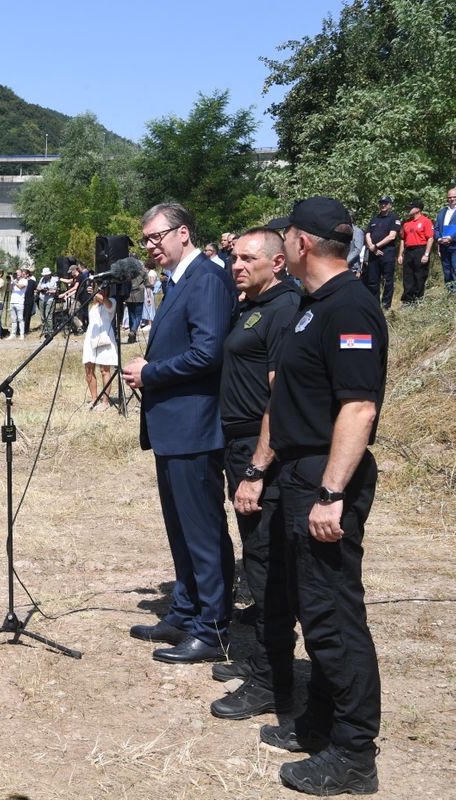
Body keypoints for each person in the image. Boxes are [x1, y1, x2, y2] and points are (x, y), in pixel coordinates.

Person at [262, 196, 385, 796]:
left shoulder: (351, 306)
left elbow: (359, 407)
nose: (280, 245)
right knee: (314, 610)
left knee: (335, 618)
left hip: (325, 480)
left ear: (302, 243)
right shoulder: (315, 306)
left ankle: (354, 753)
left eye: (284, 237)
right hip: (299, 474)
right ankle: (319, 721)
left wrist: (332, 492)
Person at [123, 202, 236, 664]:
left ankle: (211, 629)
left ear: (183, 233)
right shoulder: (178, 281)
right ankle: (186, 612)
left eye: (156, 237)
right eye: (145, 240)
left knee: (203, 531)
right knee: (180, 529)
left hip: (195, 427)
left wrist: (152, 373)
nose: (150, 246)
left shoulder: (207, 279)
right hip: (173, 427)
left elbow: (208, 353)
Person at [209, 227, 301, 722]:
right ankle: (267, 659)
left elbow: (278, 399)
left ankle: (272, 680)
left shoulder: (284, 308)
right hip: (239, 444)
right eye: (233, 257)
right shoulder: (254, 303)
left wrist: (254, 470)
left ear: (278, 262)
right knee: (258, 557)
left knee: (266, 566)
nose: (236, 265)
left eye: (247, 258)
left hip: (257, 449)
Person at [82, 286, 118, 410]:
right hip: (91, 337)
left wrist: (98, 295)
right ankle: (94, 399)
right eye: (98, 289)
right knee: (88, 369)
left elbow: (108, 305)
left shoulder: (111, 301)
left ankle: (105, 401)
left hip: (105, 338)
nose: (100, 291)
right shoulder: (92, 306)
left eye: (102, 289)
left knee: (104, 370)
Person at [364, 196, 400, 310]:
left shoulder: (394, 218)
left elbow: (392, 236)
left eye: (385, 203)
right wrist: (371, 247)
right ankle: (375, 305)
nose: (383, 205)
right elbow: (367, 233)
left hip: (387, 253)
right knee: (372, 281)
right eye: (381, 203)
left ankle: (386, 306)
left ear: (390, 205)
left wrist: (376, 246)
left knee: (387, 280)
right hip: (373, 254)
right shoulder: (374, 218)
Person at [397, 199, 433, 305]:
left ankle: (418, 299)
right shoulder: (406, 223)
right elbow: (403, 239)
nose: (408, 210)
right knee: (408, 276)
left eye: (410, 208)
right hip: (409, 251)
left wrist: (426, 254)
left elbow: (430, 238)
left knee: (420, 276)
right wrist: (400, 254)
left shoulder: (425, 221)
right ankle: (407, 301)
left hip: (420, 250)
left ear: (417, 209)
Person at [435, 187, 456, 294]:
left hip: (454, 246)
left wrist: (451, 237)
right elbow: (437, 228)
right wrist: (439, 238)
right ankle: (450, 293)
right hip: (443, 246)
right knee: (447, 271)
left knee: (455, 270)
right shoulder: (442, 212)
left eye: (454, 197)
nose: (452, 199)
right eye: (449, 197)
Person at [36, 267, 60, 337]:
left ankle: (50, 331)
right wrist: (41, 289)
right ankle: (45, 330)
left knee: (48, 315)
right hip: (42, 298)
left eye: (46, 275)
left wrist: (48, 291)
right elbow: (38, 287)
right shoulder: (42, 279)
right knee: (42, 316)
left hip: (50, 299)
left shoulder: (54, 280)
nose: (45, 276)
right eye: (44, 275)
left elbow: (56, 290)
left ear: (49, 274)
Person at [7, 268, 27, 339]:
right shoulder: (14, 280)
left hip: (20, 302)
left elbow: (20, 287)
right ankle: (13, 334)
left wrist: (13, 280)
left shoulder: (24, 280)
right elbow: (10, 289)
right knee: (13, 319)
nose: (17, 274)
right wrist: (10, 281)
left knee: (20, 319)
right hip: (12, 301)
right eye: (16, 273)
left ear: (22, 273)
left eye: (18, 273)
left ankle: (22, 334)